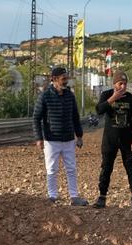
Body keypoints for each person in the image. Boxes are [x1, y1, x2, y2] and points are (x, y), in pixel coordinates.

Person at [32, 66, 88, 206]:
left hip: (68, 139)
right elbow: (36, 118)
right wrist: (39, 138)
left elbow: (75, 117)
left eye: (66, 78)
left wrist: (79, 136)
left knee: (71, 168)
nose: (66, 81)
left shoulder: (70, 96)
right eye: (63, 79)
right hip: (51, 140)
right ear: (55, 79)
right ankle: (52, 196)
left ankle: (74, 196)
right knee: (51, 169)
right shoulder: (45, 96)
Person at [93, 71, 132, 209]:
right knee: (106, 166)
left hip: (127, 139)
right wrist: (113, 98)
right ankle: (102, 196)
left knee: (131, 166)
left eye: (125, 84)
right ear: (114, 84)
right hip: (110, 138)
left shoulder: (131, 98)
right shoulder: (106, 95)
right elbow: (99, 110)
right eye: (120, 83)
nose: (123, 86)